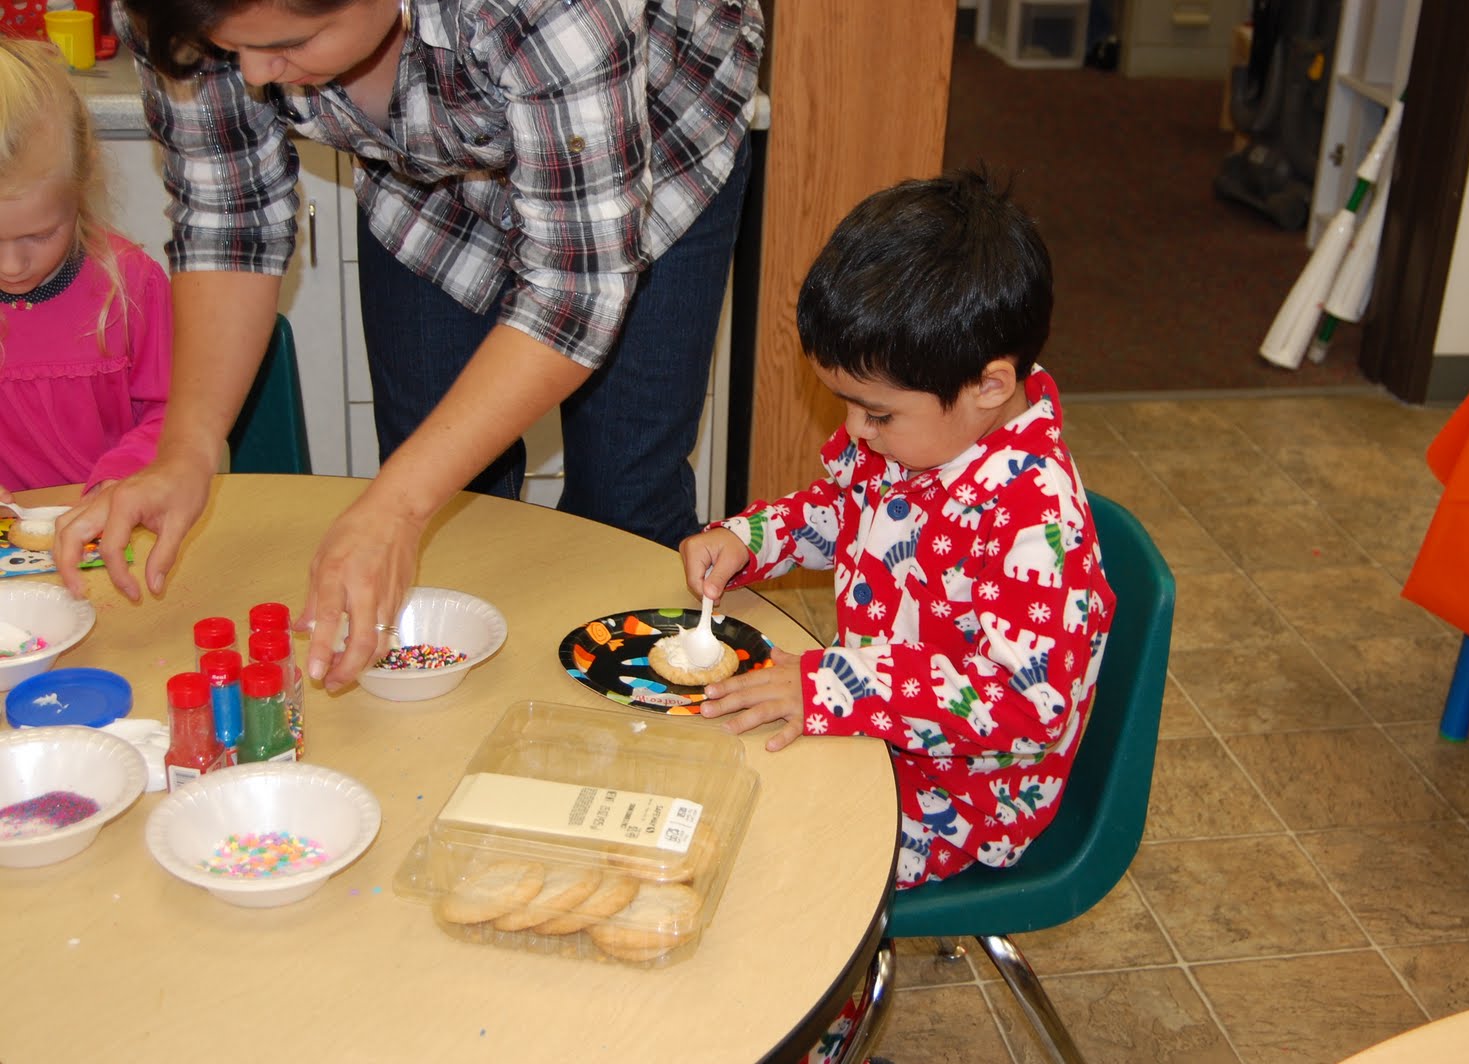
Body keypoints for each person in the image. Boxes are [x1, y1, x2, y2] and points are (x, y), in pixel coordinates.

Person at [56, 0, 763, 688]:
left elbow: (574, 287)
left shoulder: (545, 9)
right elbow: (228, 217)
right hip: (422, 191)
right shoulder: (171, 9)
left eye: (290, 45)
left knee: (623, 498)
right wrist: (186, 451)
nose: (255, 78)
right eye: (226, 53)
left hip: (651, 147)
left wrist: (393, 507)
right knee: (442, 506)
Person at [680, 167, 1117, 891]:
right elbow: (841, 514)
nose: (855, 431)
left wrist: (839, 687)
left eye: (876, 414)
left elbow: (1022, 704)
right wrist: (752, 540)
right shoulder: (921, 437)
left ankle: (824, 998)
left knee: (753, 846)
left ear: (989, 386)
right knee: (707, 761)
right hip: (882, 728)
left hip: (960, 795)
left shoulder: (1036, 523)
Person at [0, 39, 172, 506]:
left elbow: (171, 414)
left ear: (81, 185)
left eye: (39, 235)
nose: (11, 267)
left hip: (115, 525)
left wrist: (118, 481)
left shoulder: (132, 286)